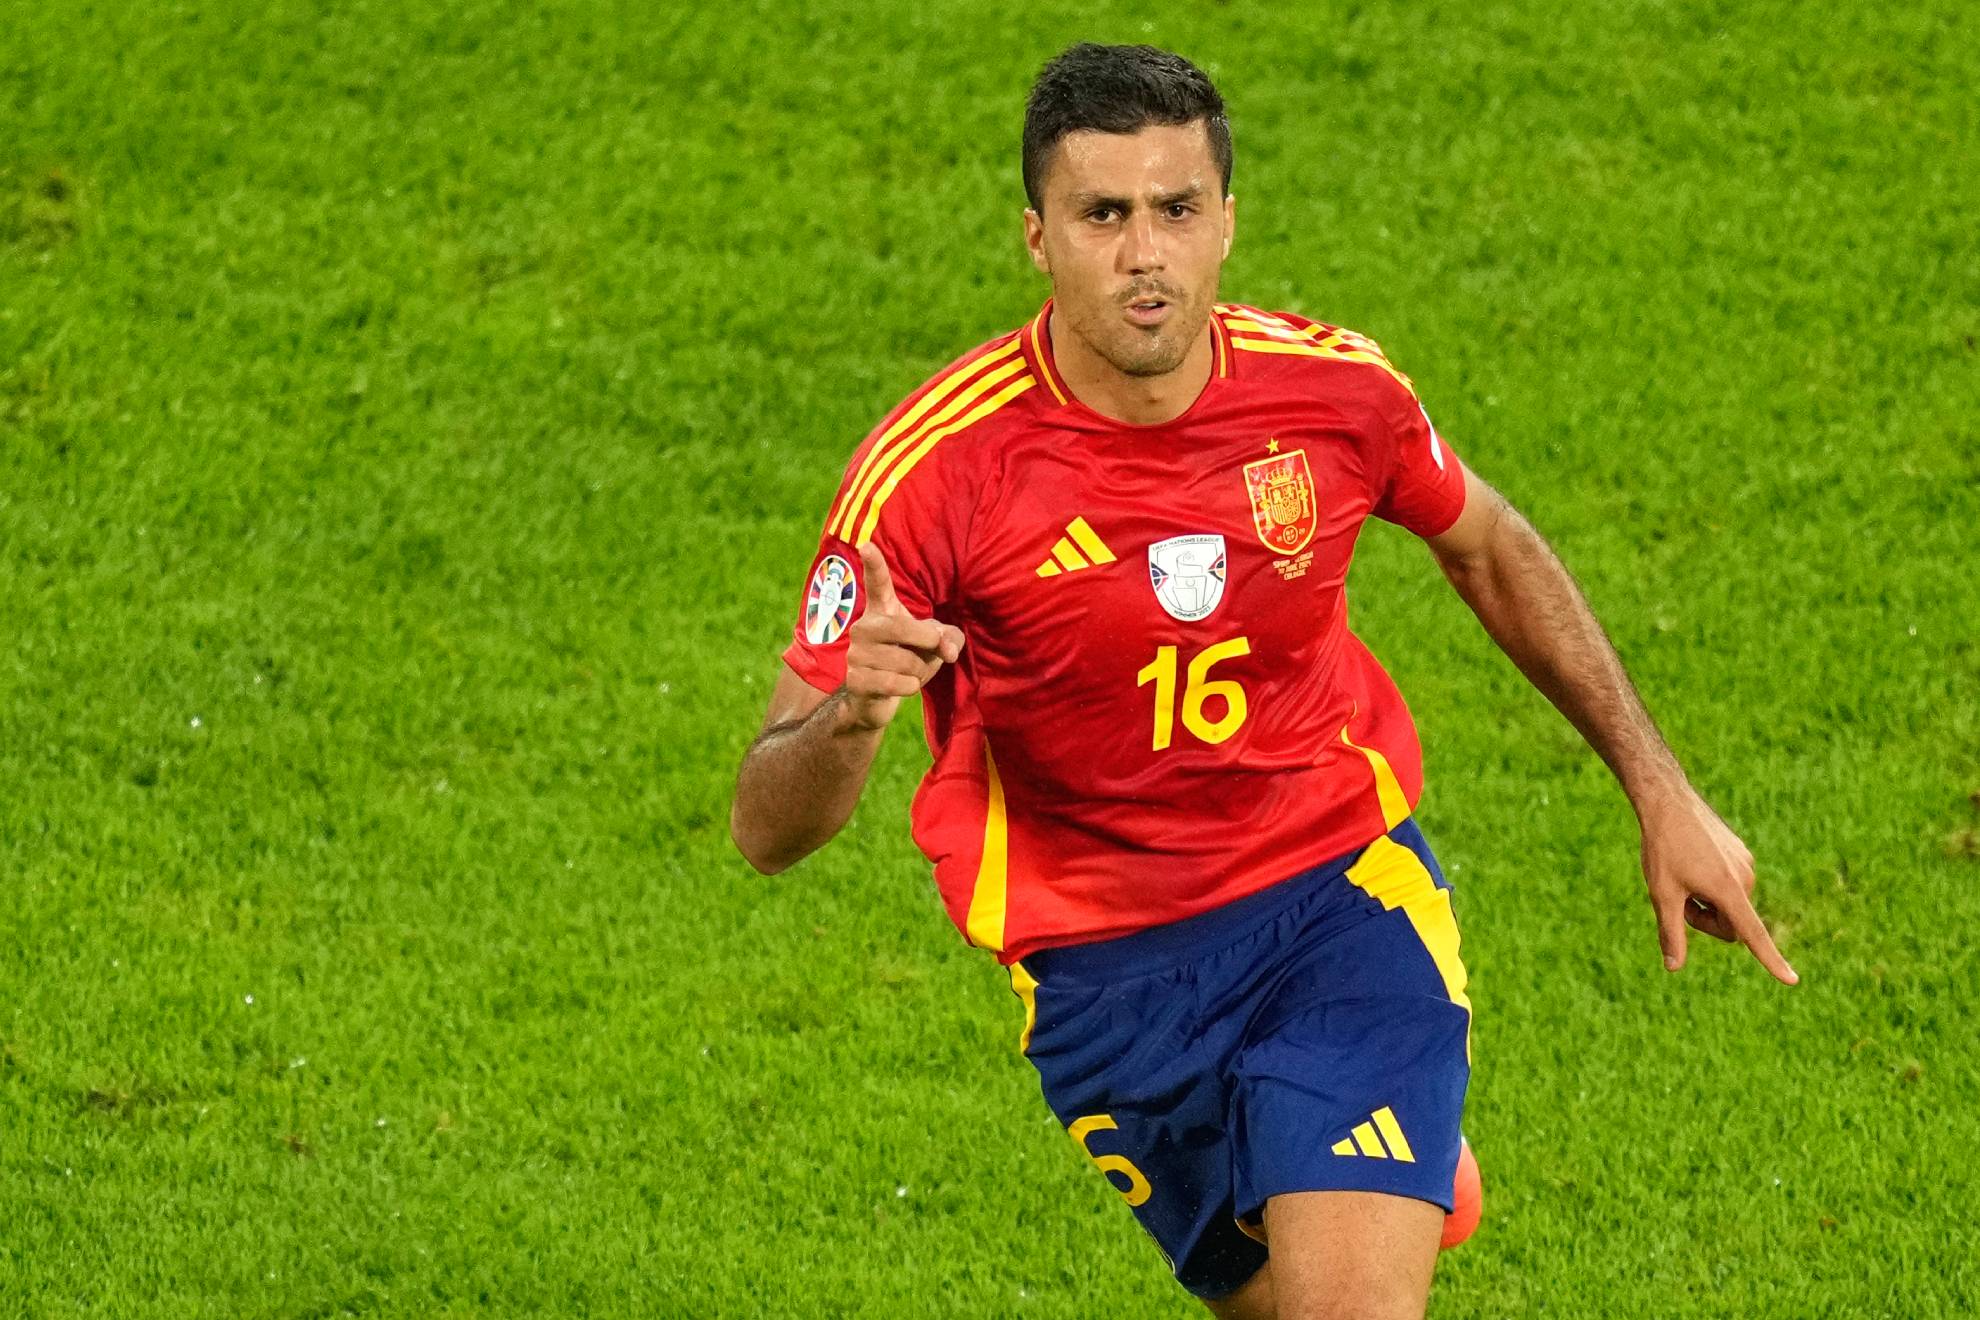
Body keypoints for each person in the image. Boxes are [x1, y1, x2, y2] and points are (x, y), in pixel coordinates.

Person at [729, 42, 1797, 1320]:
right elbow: (765, 829)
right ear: (1036, 236)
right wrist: (853, 715)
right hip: (1105, 977)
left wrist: (1660, 787)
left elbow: (1494, 552)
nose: (1145, 255)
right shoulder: (933, 476)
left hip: (1338, 900)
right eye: (1103, 215)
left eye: (1177, 210)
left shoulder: (1334, 393)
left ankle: (1359, 1116)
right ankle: (1379, 1156)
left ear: (1227, 219)